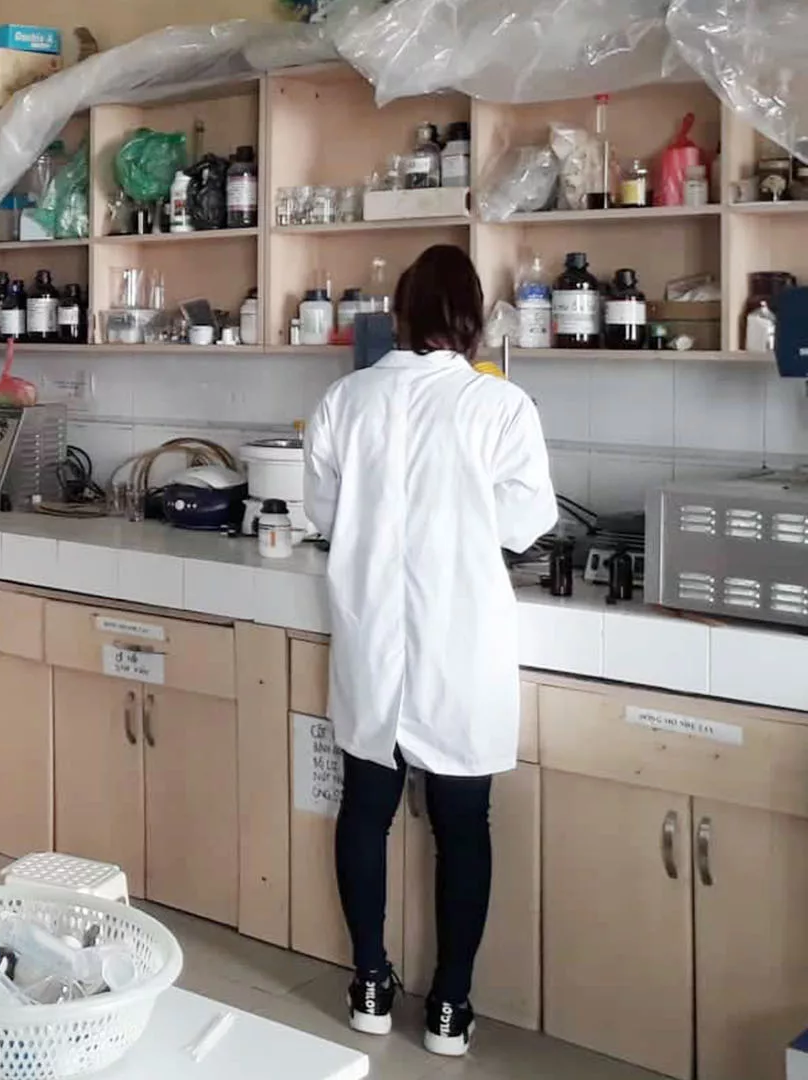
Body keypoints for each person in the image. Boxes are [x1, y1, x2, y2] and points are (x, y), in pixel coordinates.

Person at [302, 244, 556, 1058]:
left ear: (399, 316)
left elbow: (324, 514)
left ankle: (370, 987)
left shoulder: (345, 400)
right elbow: (527, 523)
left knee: (364, 812)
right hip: (461, 645)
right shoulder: (500, 406)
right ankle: (450, 1007)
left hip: (372, 639)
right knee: (464, 827)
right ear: (475, 321)